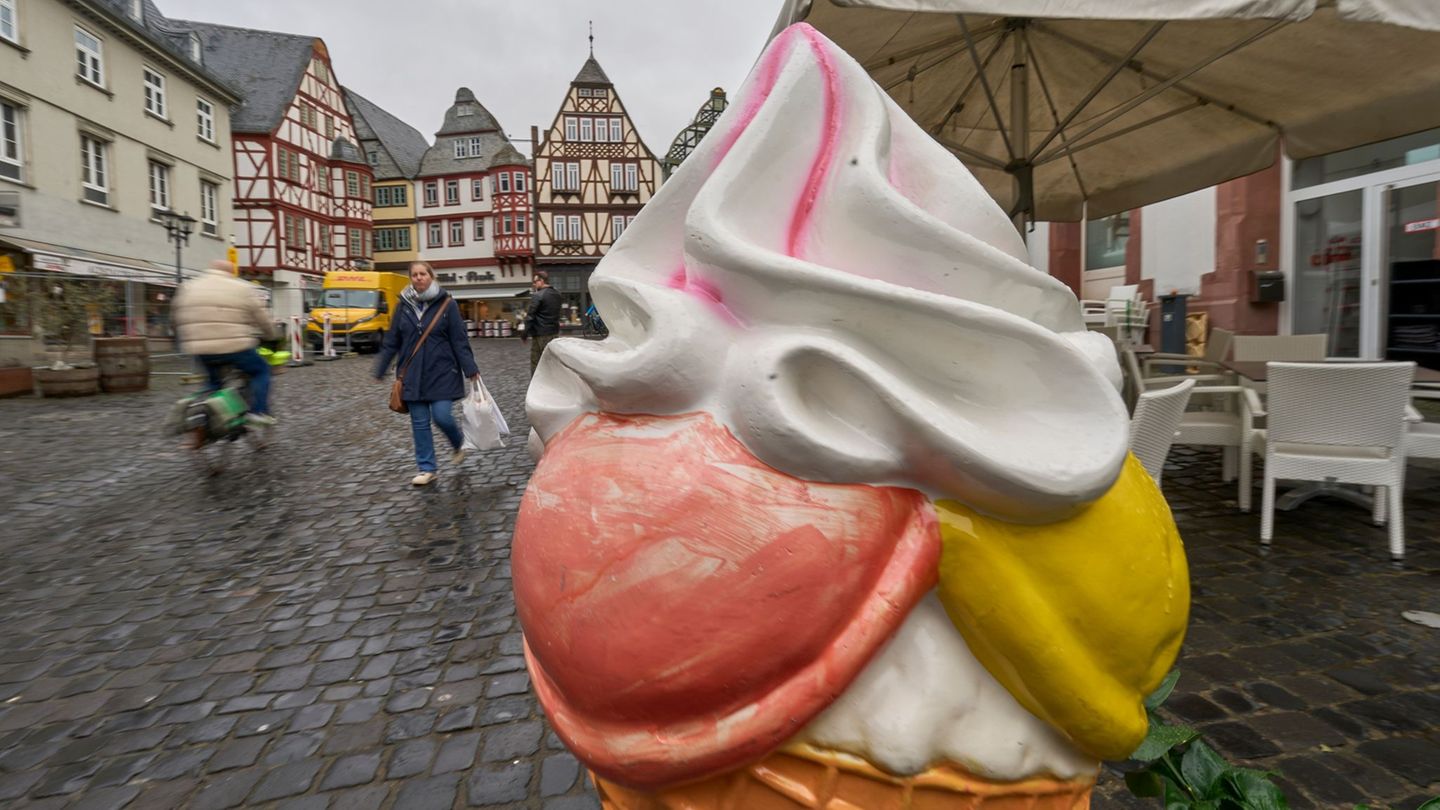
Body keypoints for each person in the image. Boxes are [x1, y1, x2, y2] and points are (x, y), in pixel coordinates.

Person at [374, 261, 481, 487]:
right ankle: (427, 468)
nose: (419, 278)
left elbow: (459, 339)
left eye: (423, 273)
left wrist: (470, 368)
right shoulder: (403, 306)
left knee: (442, 416)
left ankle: (458, 442)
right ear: (411, 278)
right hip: (411, 373)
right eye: (414, 275)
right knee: (420, 423)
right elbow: (392, 340)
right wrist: (381, 367)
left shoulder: (447, 304)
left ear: (431, 276)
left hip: (442, 371)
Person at [172, 260, 281, 426]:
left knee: (214, 381)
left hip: (200, 348)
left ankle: (203, 413)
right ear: (232, 272)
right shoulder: (242, 288)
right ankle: (257, 412)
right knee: (261, 371)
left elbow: (175, 317)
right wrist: (272, 335)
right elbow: (262, 318)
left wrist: (183, 337)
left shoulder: (189, 286)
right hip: (235, 346)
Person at [521, 271, 562, 375]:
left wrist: (525, 333)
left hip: (540, 334)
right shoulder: (557, 294)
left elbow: (530, 316)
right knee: (552, 361)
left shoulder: (538, 295)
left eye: (535, 281)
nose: (534, 284)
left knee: (536, 362)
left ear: (542, 281)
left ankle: (537, 383)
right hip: (554, 333)